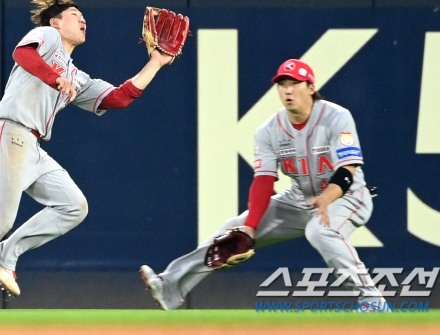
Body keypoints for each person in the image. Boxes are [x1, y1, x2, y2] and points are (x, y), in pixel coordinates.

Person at [0, 0, 184, 311]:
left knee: (73, 205)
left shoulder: (76, 76)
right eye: (74, 14)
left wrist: (155, 62)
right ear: (56, 22)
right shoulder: (48, 36)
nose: (82, 19)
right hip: (9, 129)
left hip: (30, 144)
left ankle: (6, 253)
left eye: (83, 15)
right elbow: (23, 54)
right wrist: (55, 77)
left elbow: (118, 98)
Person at [140, 58, 387, 311]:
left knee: (319, 231)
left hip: (346, 197)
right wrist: (250, 227)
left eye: (294, 83)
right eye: (282, 84)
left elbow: (348, 169)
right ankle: (169, 286)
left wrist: (325, 199)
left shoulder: (336, 117)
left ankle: (372, 300)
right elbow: (264, 181)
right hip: (299, 198)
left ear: (311, 87)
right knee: (232, 229)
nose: (287, 90)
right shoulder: (269, 130)